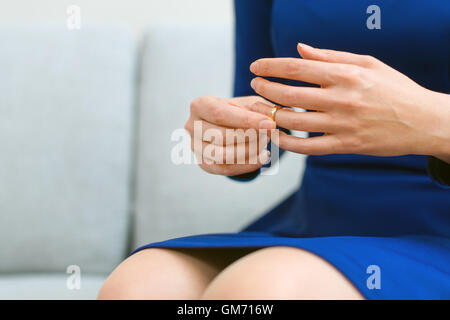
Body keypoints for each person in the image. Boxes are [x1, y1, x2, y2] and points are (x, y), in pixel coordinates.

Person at [98, 0, 450, 299]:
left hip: (439, 226)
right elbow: (268, 105)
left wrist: (431, 119)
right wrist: (234, 136)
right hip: (322, 217)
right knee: (139, 285)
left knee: (261, 288)